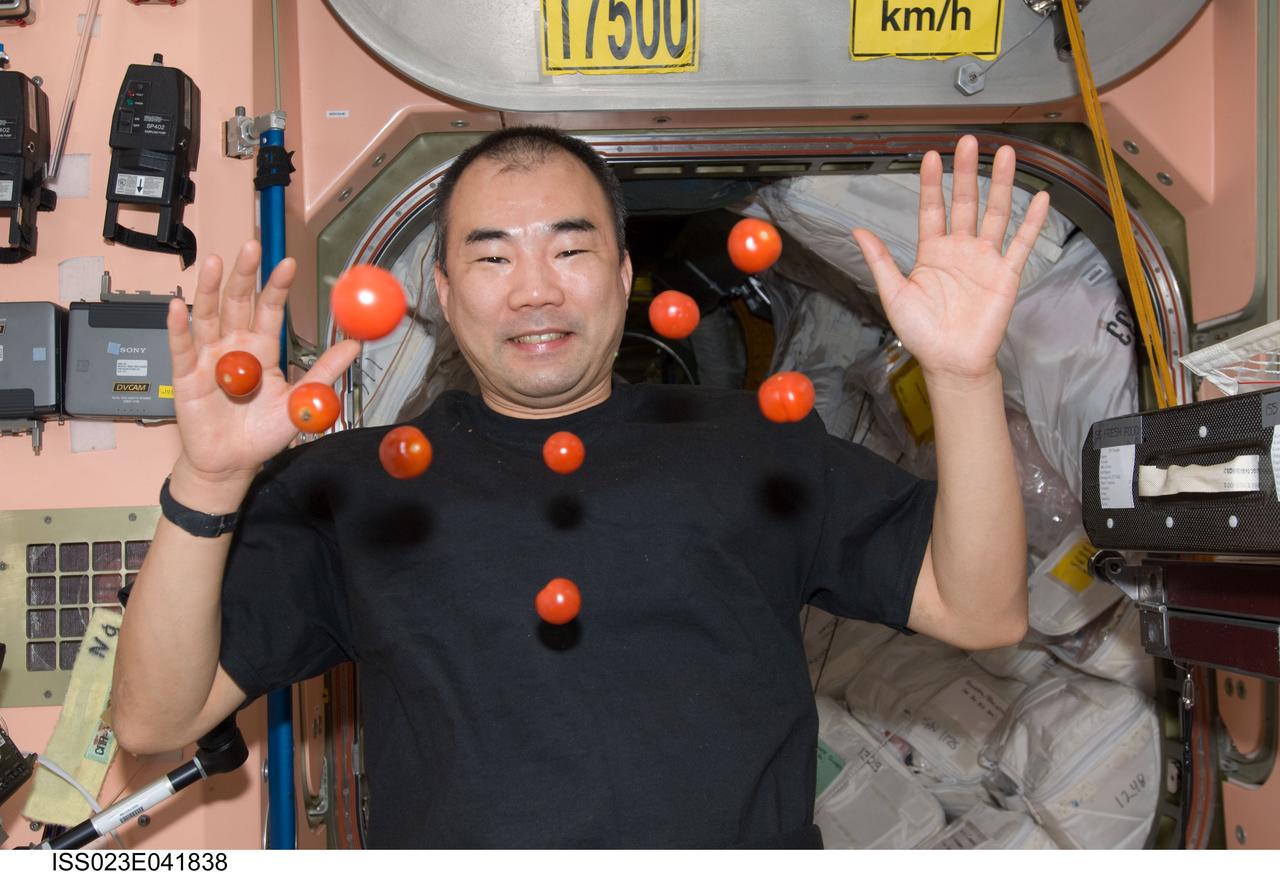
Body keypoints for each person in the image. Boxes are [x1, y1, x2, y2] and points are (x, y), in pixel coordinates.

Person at [110, 126, 1047, 849]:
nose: (534, 292)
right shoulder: (353, 488)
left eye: (570, 249)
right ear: (441, 288)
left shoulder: (755, 446)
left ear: (625, 271)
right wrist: (211, 474)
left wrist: (964, 379)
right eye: (491, 257)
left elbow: (982, 608)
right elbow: (154, 719)